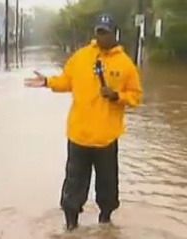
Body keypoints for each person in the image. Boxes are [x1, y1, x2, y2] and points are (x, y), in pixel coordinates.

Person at [24, 14, 143, 230]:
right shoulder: (81, 57)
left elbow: (136, 96)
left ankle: (106, 224)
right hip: (78, 135)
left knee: (107, 187)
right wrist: (47, 82)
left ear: (114, 33)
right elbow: (66, 81)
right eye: (98, 32)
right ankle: (71, 226)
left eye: (105, 32)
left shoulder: (126, 65)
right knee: (73, 185)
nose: (101, 37)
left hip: (106, 138)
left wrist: (117, 96)